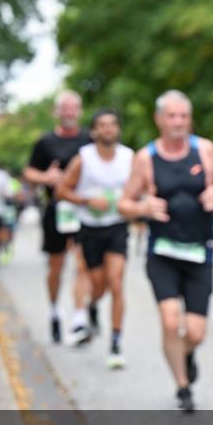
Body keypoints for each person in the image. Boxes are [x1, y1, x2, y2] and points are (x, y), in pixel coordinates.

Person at [118, 90, 213, 412]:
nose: (178, 122)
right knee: (171, 322)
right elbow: (123, 204)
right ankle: (183, 387)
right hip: (163, 253)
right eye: (172, 116)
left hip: (199, 253)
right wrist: (142, 207)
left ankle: (186, 353)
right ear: (159, 119)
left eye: (184, 116)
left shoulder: (206, 150)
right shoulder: (146, 157)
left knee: (195, 332)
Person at [57, 109, 134, 369]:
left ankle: (115, 342)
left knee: (117, 282)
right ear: (94, 131)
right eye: (102, 125)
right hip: (90, 228)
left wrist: (133, 204)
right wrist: (87, 200)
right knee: (98, 285)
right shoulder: (84, 159)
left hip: (117, 226)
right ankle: (92, 307)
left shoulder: (128, 157)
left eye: (112, 124)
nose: (108, 129)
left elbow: (142, 187)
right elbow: (61, 190)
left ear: (118, 129)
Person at [24, 90, 94, 345]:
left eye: (73, 108)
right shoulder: (45, 142)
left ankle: (78, 317)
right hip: (56, 209)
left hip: (82, 209)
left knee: (83, 263)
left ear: (80, 111)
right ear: (56, 112)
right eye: (64, 108)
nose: (69, 112)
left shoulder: (89, 139)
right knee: (57, 267)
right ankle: (54, 310)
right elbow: (29, 172)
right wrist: (46, 178)